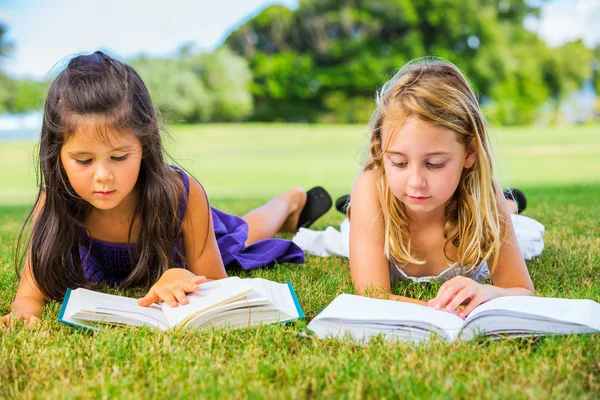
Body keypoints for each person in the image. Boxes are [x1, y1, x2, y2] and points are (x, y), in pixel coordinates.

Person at [2, 51, 331, 328]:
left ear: (144, 144)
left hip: (193, 237)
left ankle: (290, 201)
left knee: (244, 234)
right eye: (84, 160)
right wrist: (23, 313)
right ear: (56, 155)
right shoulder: (55, 200)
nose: (103, 176)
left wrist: (181, 274)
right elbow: (30, 293)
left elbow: (218, 285)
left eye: (118, 157)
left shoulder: (179, 194)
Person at [346, 58, 534, 318]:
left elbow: (522, 289)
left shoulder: (483, 196)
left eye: (434, 164)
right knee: (346, 228)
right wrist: (448, 313)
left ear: (468, 153)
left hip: (466, 198)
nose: (416, 181)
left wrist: (491, 292)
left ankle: (510, 204)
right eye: (399, 162)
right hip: (374, 213)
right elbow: (372, 295)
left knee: (513, 223)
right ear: (381, 151)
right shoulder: (371, 189)